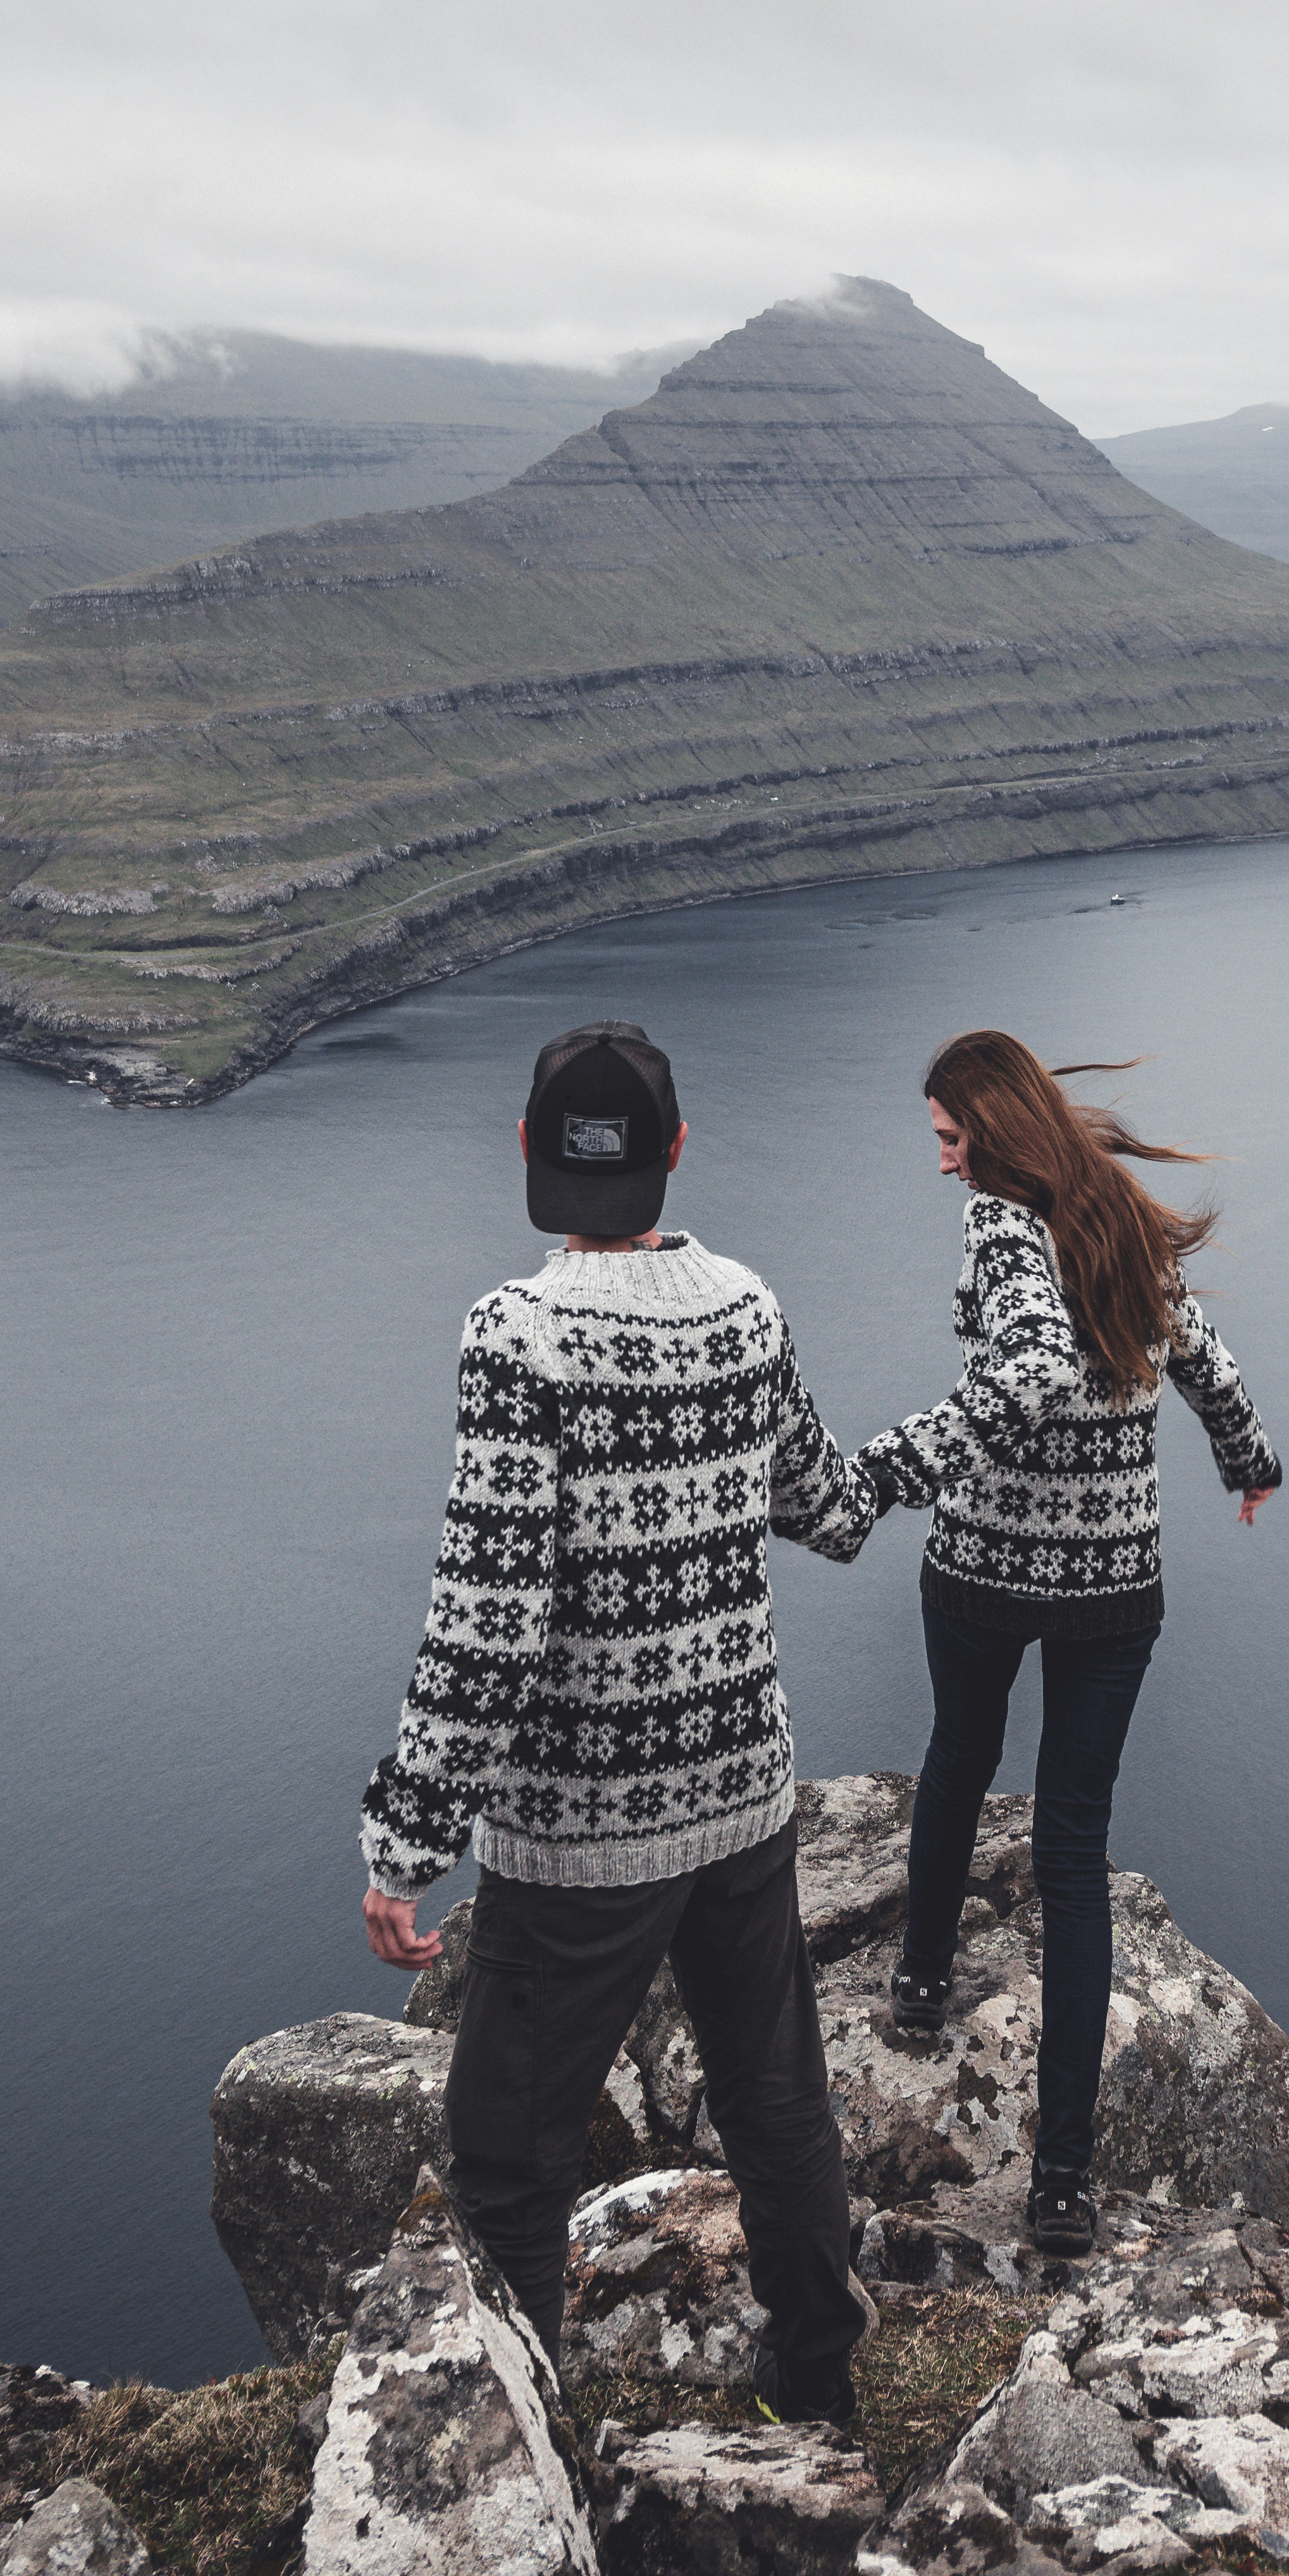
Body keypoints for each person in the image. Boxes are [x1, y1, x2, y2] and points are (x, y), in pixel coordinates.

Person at [355, 1018, 879, 2420]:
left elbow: (491, 1612)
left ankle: (533, 2464)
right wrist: (944, 1447)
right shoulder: (748, 1306)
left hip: (584, 1831)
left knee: (513, 2160)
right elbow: (823, 1508)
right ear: (678, 1153)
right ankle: (819, 2383)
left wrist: (408, 1839)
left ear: (528, 1153)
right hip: (742, 1794)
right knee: (775, 2103)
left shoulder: (516, 1336)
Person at [853, 1029, 1283, 2259]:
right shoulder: (1118, 1218)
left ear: (991, 1133)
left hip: (985, 1565)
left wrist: (899, 1460)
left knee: (958, 1757)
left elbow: (1034, 1365)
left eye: (948, 1139)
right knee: (1074, 1855)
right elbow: (1206, 1359)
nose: (942, 1165)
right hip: (1113, 1581)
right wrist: (1247, 1459)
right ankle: (1064, 2183)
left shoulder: (1000, 1222)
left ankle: (926, 1979)